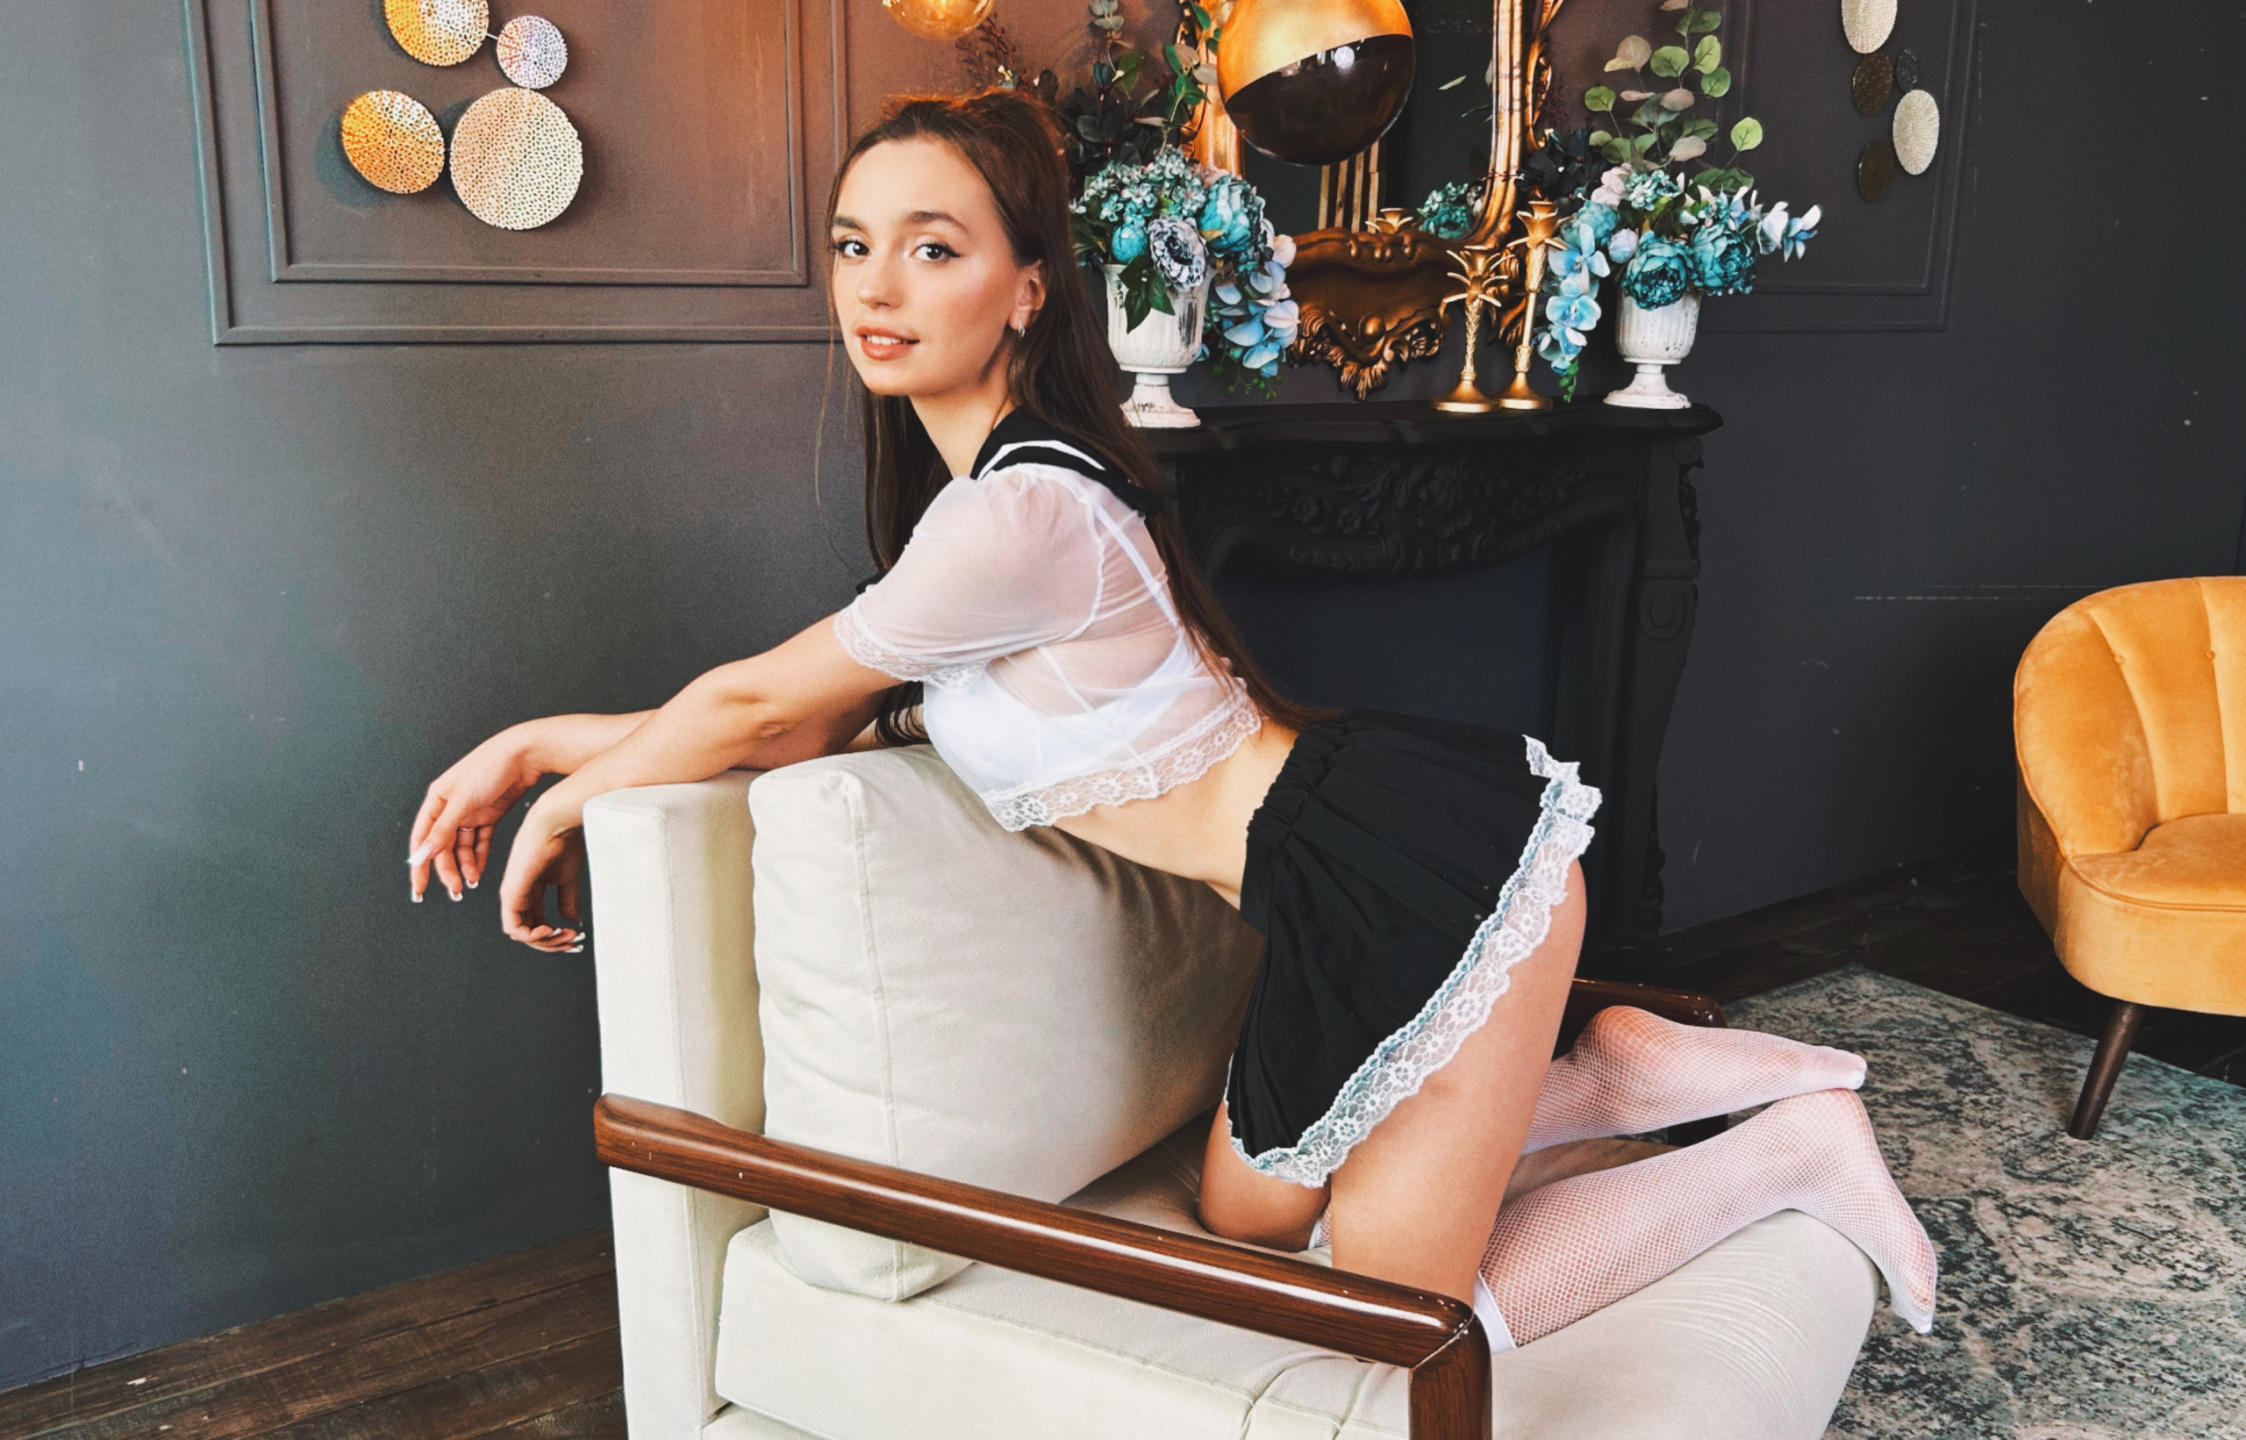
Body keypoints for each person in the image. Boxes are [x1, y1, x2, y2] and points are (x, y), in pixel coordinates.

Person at [405, 89, 1938, 1353]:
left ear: (1025, 288)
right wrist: (544, 743)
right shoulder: (982, 523)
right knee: (1246, 1219)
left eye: (931, 248)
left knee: (1394, 1325)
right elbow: (795, 727)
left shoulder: (1014, 518)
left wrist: (563, 802)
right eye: (852, 245)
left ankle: (1785, 1160)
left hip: (1403, 862)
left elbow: (751, 700)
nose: (875, 287)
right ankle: (1609, 1073)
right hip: (1319, 887)